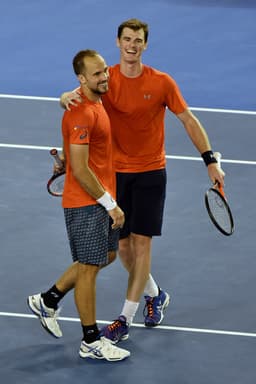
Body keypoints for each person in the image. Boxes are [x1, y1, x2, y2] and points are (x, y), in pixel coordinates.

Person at [62, 18, 225, 344]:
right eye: (127, 39)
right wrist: (64, 95)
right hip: (115, 175)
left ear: (145, 45)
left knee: (141, 244)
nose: (132, 45)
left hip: (151, 173)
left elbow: (188, 120)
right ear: (118, 43)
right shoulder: (108, 81)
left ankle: (125, 318)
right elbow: (81, 96)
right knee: (122, 247)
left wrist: (210, 160)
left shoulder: (162, 82)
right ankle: (155, 294)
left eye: (138, 40)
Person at [27, 49, 130, 361]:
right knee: (88, 268)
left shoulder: (94, 102)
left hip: (99, 196)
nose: (104, 77)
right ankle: (90, 341)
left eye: (104, 71)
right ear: (81, 79)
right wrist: (110, 203)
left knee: (107, 255)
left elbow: (80, 161)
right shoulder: (80, 112)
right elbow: (82, 170)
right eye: (97, 74)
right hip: (86, 201)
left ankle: (49, 299)